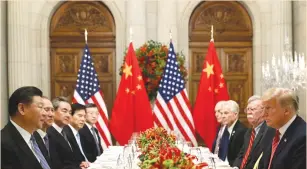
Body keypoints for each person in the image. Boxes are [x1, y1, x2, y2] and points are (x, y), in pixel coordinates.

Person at [1, 86, 51, 169]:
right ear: (22, 109)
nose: (45, 113)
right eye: (40, 107)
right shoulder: (3, 143)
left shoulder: (36, 137)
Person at [259, 88, 306, 169]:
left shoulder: (303, 137)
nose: (263, 114)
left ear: (286, 111)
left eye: (268, 108)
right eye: (263, 108)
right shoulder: (270, 131)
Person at [233, 96, 275, 169]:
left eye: (252, 109)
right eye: (247, 109)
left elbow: (260, 160)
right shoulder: (249, 132)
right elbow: (242, 154)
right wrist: (236, 167)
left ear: (263, 111)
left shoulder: (269, 131)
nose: (249, 112)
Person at [47, 97, 88, 169]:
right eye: (64, 111)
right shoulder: (49, 133)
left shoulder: (65, 131)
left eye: (70, 112)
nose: (68, 115)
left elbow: (70, 158)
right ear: (53, 111)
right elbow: (57, 165)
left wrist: (79, 164)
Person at [221, 100, 247, 166]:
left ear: (235, 114)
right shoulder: (224, 129)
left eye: (226, 113)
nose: (223, 116)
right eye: (222, 113)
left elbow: (239, 157)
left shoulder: (241, 131)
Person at [33, 96, 54, 167]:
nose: (51, 114)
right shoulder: (32, 138)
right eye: (47, 109)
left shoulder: (51, 136)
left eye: (52, 110)